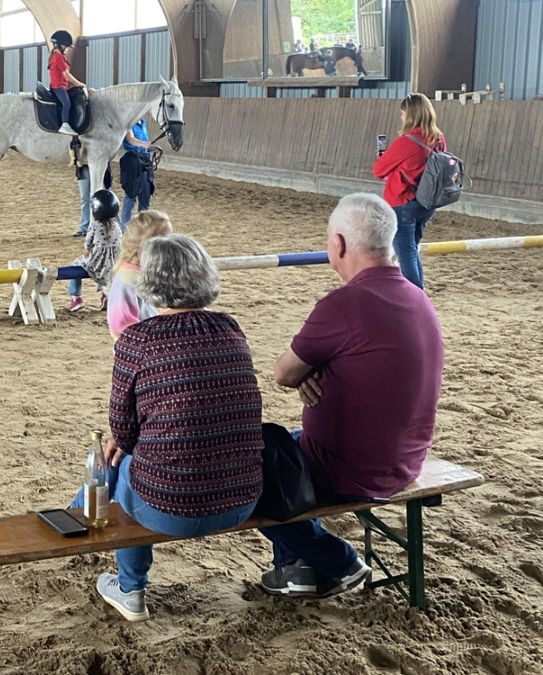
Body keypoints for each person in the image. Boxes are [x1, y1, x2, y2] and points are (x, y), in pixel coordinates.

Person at [258, 193, 444, 599]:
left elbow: (283, 373)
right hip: (406, 460)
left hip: (352, 472)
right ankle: (296, 566)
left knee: (252, 468)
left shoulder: (343, 304)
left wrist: (309, 371)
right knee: (287, 444)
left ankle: (334, 561)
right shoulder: (418, 297)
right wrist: (320, 371)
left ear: (338, 244)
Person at [72, 233, 263, 621]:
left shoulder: (138, 338)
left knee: (120, 466)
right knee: (128, 462)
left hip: (171, 508)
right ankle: (76, 512)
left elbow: (123, 431)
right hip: (243, 499)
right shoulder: (229, 327)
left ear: (150, 282)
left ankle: (130, 588)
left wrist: (128, 443)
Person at [373, 93, 445, 289]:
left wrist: (387, 158)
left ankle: (415, 296)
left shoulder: (406, 141)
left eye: (403, 113)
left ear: (411, 115)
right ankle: (418, 292)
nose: (401, 117)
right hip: (426, 202)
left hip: (402, 202)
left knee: (405, 254)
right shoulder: (438, 139)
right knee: (412, 250)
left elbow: (378, 170)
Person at [106, 210, 172, 340]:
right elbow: (121, 326)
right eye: (165, 240)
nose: (171, 245)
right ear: (144, 244)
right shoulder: (126, 280)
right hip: (136, 352)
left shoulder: (149, 272)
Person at [68, 189, 122, 313]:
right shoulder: (117, 226)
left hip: (96, 264)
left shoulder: (94, 225)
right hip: (112, 265)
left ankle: (76, 297)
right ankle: (105, 293)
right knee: (106, 265)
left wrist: (88, 250)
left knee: (76, 263)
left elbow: (87, 244)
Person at [119, 118, 159, 227]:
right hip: (132, 159)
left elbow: (144, 145)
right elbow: (131, 139)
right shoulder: (129, 122)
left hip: (144, 160)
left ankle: (143, 227)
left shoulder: (143, 122)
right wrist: (144, 144)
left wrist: (151, 148)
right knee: (131, 195)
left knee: (145, 196)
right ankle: (125, 227)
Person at [48, 30, 89, 135]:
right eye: (66, 47)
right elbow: (66, 74)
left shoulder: (56, 55)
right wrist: (78, 83)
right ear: (61, 45)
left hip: (60, 85)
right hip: (58, 86)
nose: (67, 50)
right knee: (66, 103)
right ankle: (65, 124)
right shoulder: (59, 57)